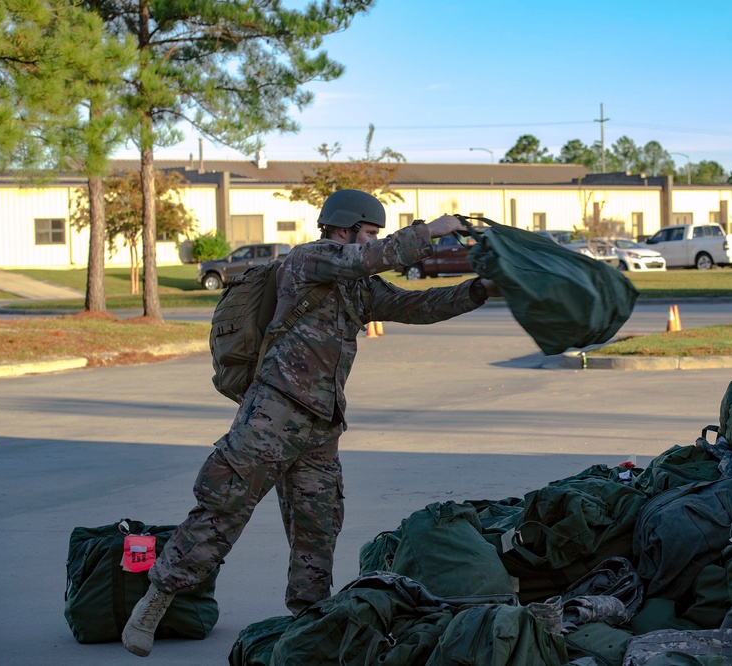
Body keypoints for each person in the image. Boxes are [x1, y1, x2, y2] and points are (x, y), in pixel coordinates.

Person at [122, 189, 499, 657]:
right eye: (368, 231)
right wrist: (432, 231)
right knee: (224, 507)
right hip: (272, 413)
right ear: (345, 228)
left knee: (317, 528)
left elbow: (413, 308)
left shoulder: (357, 285)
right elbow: (369, 257)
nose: (372, 240)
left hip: (322, 424)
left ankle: (308, 620)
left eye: (374, 235)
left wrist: (479, 290)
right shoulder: (309, 261)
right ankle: (156, 600)